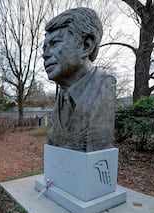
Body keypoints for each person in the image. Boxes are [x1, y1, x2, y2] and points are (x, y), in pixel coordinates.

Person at [42, 8, 116, 152]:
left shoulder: (103, 87)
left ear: (86, 45)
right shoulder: (62, 96)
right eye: (45, 47)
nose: (44, 55)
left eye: (55, 43)